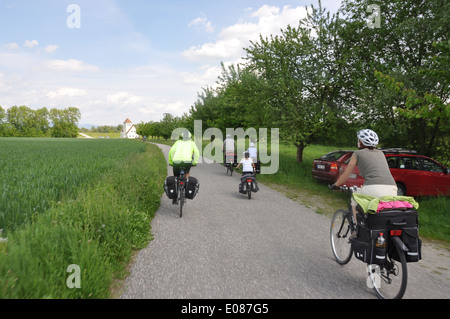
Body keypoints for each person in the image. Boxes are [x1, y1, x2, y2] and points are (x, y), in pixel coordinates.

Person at [332, 129, 397, 239]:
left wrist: (336, 185)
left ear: (361, 142)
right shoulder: (381, 153)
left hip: (373, 188)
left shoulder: (357, 153)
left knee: (355, 198)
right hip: (393, 188)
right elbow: (377, 174)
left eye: (358, 140)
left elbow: (346, 174)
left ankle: (358, 229)